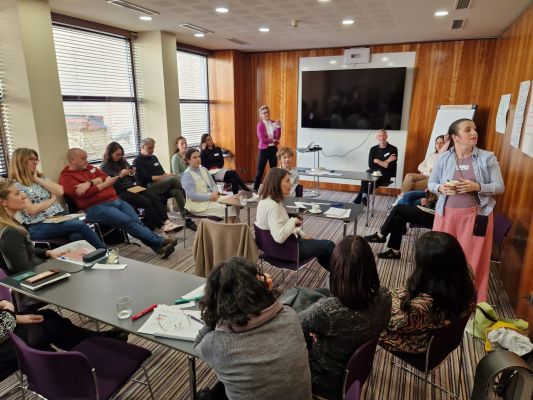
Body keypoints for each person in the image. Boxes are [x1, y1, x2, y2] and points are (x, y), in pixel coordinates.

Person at [194, 257, 313, 400]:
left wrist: (213, 313)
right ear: (259, 286)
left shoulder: (216, 343)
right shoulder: (289, 315)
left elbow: (197, 345)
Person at [298, 236, 392, 400]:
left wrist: (317, 333)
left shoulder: (327, 311)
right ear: (370, 265)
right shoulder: (385, 296)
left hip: (322, 384)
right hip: (356, 373)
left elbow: (294, 326)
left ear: (336, 270)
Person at [429, 118, 504, 302]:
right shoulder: (443, 158)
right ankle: (441, 295)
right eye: (468, 130)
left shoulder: (487, 158)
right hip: (445, 215)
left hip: (476, 216)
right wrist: (440, 188)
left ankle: (470, 300)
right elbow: (432, 182)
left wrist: (478, 187)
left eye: (475, 129)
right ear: (455, 137)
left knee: (472, 260)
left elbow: (499, 186)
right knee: (441, 255)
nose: (474, 133)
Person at [58, 148, 177, 258]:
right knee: (128, 222)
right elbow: (86, 193)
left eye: (86, 157)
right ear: (72, 160)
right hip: (95, 207)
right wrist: (104, 184)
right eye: (83, 158)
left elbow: (105, 176)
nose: (86, 161)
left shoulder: (89, 168)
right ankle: (159, 241)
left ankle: (159, 248)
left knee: (136, 221)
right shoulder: (66, 178)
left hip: (114, 200)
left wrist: (90, 183)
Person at [379, 231, 476, 353]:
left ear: (428, 269)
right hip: (442, 334)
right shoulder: (465, 278)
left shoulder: (417, 308)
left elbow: (389, 322)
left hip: (415, 342)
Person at [0, 300, 126, 380]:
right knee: (55, 327)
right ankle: (102, 344)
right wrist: (9, 309)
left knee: (48, 314)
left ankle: (96, 344)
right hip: (3, 347)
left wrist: (13, 316)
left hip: (6, 325)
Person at [8, 148, 105, 249]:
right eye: (31, 159)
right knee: (79, 225)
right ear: (21, 161)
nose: (35, 162)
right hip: (37, 226)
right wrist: (52, 199)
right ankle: (105, 251)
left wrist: (37, 179)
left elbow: (60, 191)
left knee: (76, 236)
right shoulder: (15, 185)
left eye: (36, 159)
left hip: (58, 218)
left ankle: (92, 257)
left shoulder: (40, 178)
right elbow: (32, 210)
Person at [255, 167, 335, 271]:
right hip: (288, 250)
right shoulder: (273, 206)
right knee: (329, 245)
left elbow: (278, 226)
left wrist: (301, 233)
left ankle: (337, 274)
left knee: (321, 249)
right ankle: (341, 275)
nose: (291, 183)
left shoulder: (263, 202)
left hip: (271, 249)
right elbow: (279, 237)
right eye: (287, 181)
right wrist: (293, 221)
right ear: (277, 183)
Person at [101, 142, 181, 233]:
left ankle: (167, 222)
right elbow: (109, 184)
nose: (119, 156)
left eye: (121, 154)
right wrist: (120, 175)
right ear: (110, 153)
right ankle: (161, 226)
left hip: (132, 187)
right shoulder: (104, 167)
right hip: (120, 191)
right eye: (117, 154)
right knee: (146, 201)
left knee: (154, 198)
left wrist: (132, 173)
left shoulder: (122, 161)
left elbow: (133, 176)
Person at [133, 138, 197, 231]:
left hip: (163, 184)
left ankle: (186, 219)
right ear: (142, 147)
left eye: (153, 147)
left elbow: (162, 172)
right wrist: (167, 177)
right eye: (150, 148)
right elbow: (149, 178)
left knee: (177, 191)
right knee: (174, 179)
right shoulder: (137, 161)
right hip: (150, 187)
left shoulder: (153, 157)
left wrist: (169, 175)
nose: (152, 150)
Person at [364, 191, 437, 259]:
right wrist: (429, 200)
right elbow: (436, 196)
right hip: (432, 210)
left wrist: (430, 201)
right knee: (399, 216)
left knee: (398, 208)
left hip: (436, 216)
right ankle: (395, 251)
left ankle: (381, 235)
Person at [181, 148, 238, 222]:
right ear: (188, 160)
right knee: (228, 208)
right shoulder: (187, 175)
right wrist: (210, 197)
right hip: (198, 205)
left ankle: (232, 226)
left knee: (233, 202)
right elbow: (192, 196)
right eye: (194, 157)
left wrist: (215, 192)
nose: (198, 159)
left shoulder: (204, 169)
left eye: (199, 156)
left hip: (211, 198)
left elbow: (213, 185)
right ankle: (232, 227)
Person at [353, 129, 397, 205]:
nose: (382, 137)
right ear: (377, 137)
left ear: (387, 136)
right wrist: (387, 161)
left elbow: (390, 167)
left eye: (384, 135)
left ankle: (362, 198)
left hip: (386, 174)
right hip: (373, 172)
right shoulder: (373, 149)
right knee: (366, 176)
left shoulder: (393, 149)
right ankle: (364, 197)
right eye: (380, 135)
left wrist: (377, 161)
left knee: (370, 181)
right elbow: (371, 165)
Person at [253, 105, 281, 191]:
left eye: (267, 112)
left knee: (273, 171)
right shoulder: (260, 125)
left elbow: (277, 137)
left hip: (273, 149)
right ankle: (255, 189)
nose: (266, 114)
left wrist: (279, 127)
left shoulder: (274, 123)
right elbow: (262, 140)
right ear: (261, 115)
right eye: (264, 113)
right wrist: (272, 140)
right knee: (259, 171)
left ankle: (273, 189)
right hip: (264, 150)